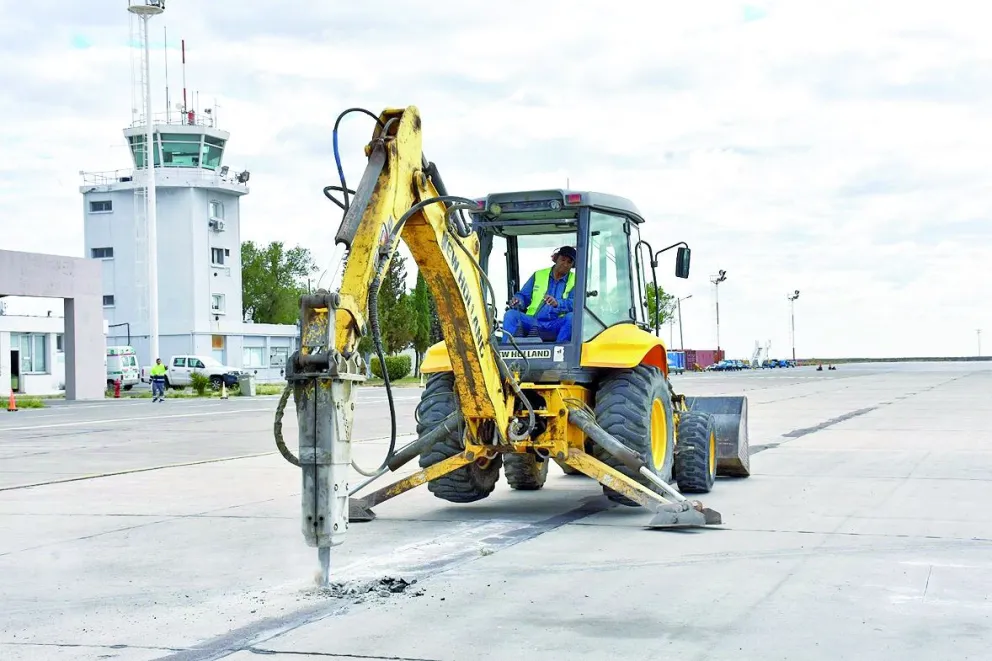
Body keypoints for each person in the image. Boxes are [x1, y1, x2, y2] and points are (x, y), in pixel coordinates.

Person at [502, 245, 576, 343]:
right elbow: (523, 295)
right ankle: (506, 352)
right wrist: (518, 300)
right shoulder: (538, 275)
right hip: (533, 322)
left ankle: (560, 351)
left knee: (572, 318)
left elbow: (575, 303)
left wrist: (558, 303)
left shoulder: (575, 280)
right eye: (563, 260)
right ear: (556, 258)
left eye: (569, 262)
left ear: (573, 265)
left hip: (556, 324)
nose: (565, 264)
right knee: (511, 315)